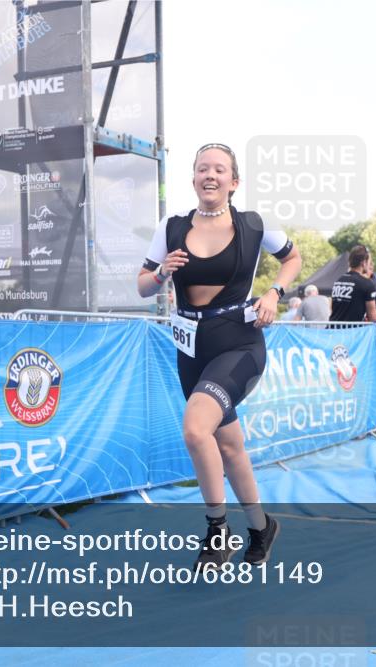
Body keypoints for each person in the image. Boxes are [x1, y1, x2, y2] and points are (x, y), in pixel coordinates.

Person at [137, 143, 301, 570]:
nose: (210, 175)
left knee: (195, 430)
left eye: (219, 169)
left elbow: (293, 258)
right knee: (229, 446)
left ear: (234, 181)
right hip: (190, 347)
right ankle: (262, 526)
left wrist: (273, 291)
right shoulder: (170, 227)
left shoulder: (253, 224)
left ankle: (216, 529)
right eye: (202, 168)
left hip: (239, 344)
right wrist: (160, 274)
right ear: (193, 178)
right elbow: (142, 285)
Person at [329, 245, 376, 328]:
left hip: (334, 331)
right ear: (363, 263)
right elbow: (373, 316)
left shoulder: (338, 281)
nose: (370, 265)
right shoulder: (367, 284)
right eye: (369, 262)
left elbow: (333, 308)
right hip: (352, 334)